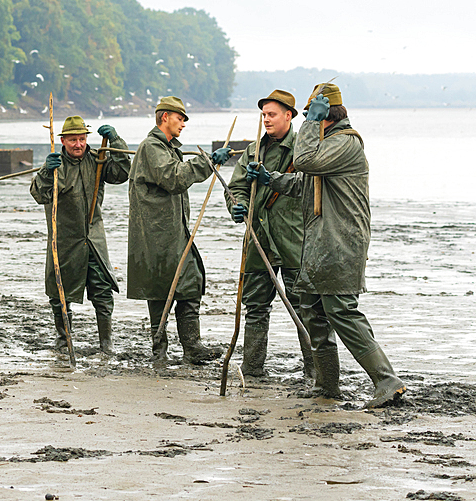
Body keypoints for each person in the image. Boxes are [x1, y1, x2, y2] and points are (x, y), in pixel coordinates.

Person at [255, 83, 406, 408]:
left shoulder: (346, 144)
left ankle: (387, 380)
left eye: (311, 115)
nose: (308, 120)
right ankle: (327, 386)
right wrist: (272, 179)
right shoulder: (329, 145)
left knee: (341, 311)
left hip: (340, 244)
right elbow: (306, 182)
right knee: (314, 312)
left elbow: (306, 160)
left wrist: (308, 124)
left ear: (326, 115)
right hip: (319, 244)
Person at [127, 96, 231, 364]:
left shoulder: (168, 148)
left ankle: (192, 347)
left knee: (189, 284)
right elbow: (174, 178)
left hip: (173, 232)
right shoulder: (151, 147)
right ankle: (159, 351)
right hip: (156, 236)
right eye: (180, 118)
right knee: (160, 291)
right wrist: (207, 162)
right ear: (165, 117)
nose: (183, 123)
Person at [225, 90, 313, 378]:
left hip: (295, 239)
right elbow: (235, 188)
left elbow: (308, 184)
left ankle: (315, 371)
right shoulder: (253, 150)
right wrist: (236, 207)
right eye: (263, 115)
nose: (266, 120)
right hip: (258, 238)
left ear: (289, 115)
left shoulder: (305, 148)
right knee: (255, 305)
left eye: (272, 114)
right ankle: (252, 369)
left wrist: (270, 179)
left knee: (306, 308)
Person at [30, 117, 131, 354]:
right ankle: (63, 339)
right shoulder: (55, 165)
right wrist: (46, 170)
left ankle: (106, 343)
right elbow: (38, 194)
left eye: (83, 139)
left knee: (103, 290)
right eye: (73, 140)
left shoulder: (98, 160)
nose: (79, 145)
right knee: (59, 292)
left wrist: (116, 141)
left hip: (94, 238)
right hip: (64, 240)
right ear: (63, 141)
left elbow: (122, 173)